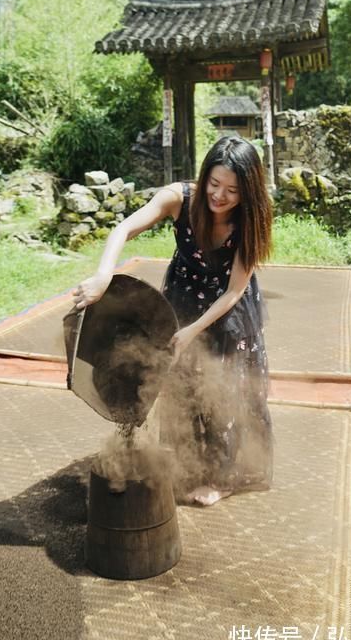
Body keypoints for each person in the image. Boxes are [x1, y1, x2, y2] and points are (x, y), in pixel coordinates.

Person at [73, 136, 274, 506]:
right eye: (214, 184)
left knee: (223, 389)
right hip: (183, 295)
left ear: (248, 191)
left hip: (227, 308)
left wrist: (192, 332)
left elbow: (233, 293)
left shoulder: (251, 220)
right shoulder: (177, 198)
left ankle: (222, 477)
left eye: (232, 190)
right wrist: (104, 275)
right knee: (181, 383)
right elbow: (122, 230)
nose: (219, 196)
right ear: (204, 177)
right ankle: (188, 465)